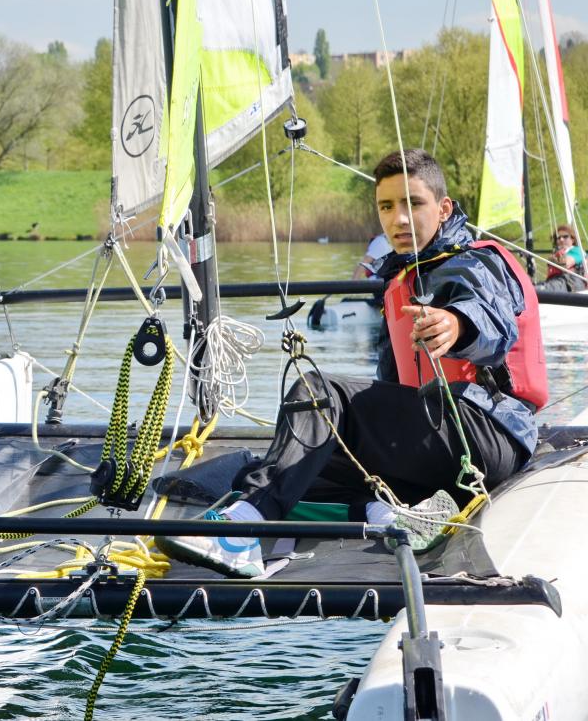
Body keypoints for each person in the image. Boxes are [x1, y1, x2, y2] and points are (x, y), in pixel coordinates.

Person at [156, 148, 547, 578]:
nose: (399, 219)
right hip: (435, 449)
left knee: (317, 391)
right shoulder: (400, 280)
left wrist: (455, 325)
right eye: (387, 206)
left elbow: (491, 321)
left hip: (486, 437)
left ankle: (244, 530)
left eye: (413, 203)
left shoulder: (474, 263)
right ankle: (385, 511)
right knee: (300, 458)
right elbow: (390, 391)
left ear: (444, 209)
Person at [536, 224, 587, 292]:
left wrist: (553, 259)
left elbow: (566, 264)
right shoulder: (558, 253)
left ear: (572, 239)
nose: (561, 239)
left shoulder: (577, 250)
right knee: (533, 288)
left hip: (571, 282)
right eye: (558, 238)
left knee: (540, 289)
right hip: (555, 282)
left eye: (565, 237)